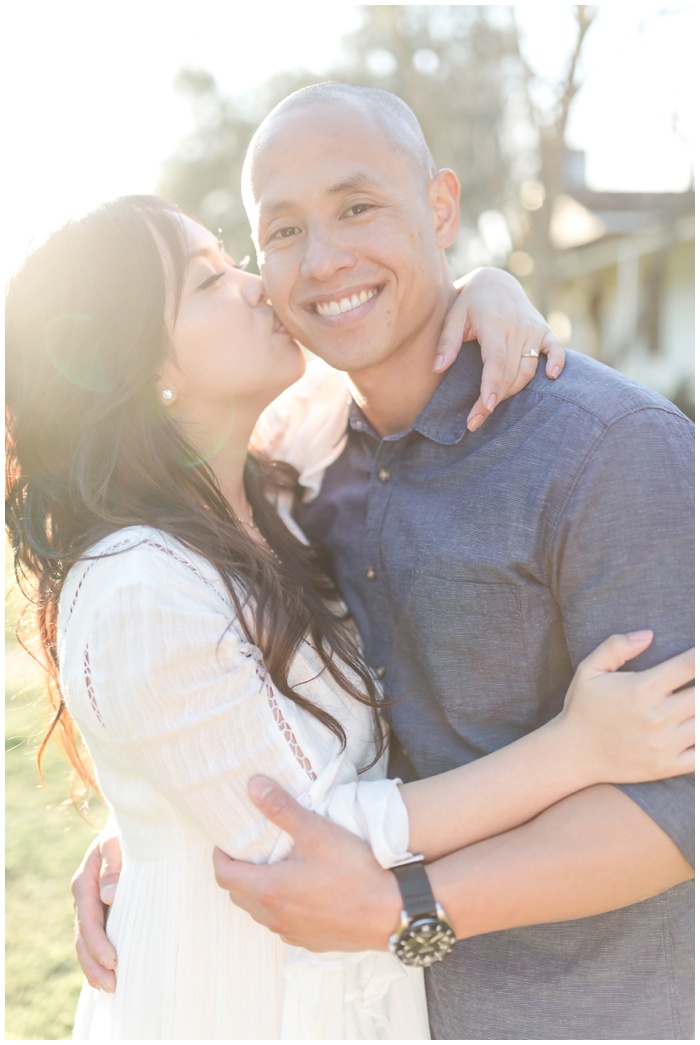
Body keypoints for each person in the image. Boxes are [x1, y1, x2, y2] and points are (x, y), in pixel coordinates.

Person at [6, 196, 693, 1041]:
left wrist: (486, 286)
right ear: (146, 366)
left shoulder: (280, 476)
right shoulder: (137, 583)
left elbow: (398, 345)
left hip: (338, 985)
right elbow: (309, 831)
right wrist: (577, 748)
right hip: (237, 998)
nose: (262, 286)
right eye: (211, 280)